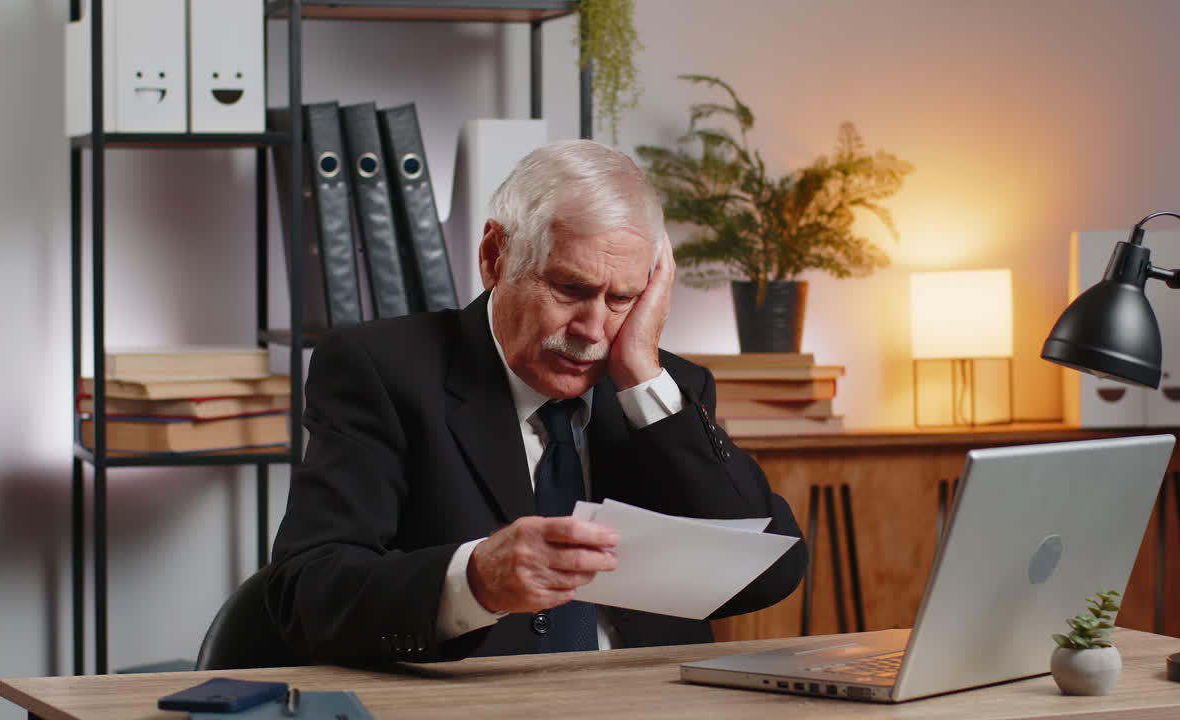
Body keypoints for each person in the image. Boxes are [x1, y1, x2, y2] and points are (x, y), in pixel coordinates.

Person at [266, 139, 807, 665]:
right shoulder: (381, 370)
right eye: (570, 289)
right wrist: (472, 580)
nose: (593, 331)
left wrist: (644, 378)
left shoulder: (664, 391)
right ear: (494, 257)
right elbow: (307, 594)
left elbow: (772, 571)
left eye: (622, 298)